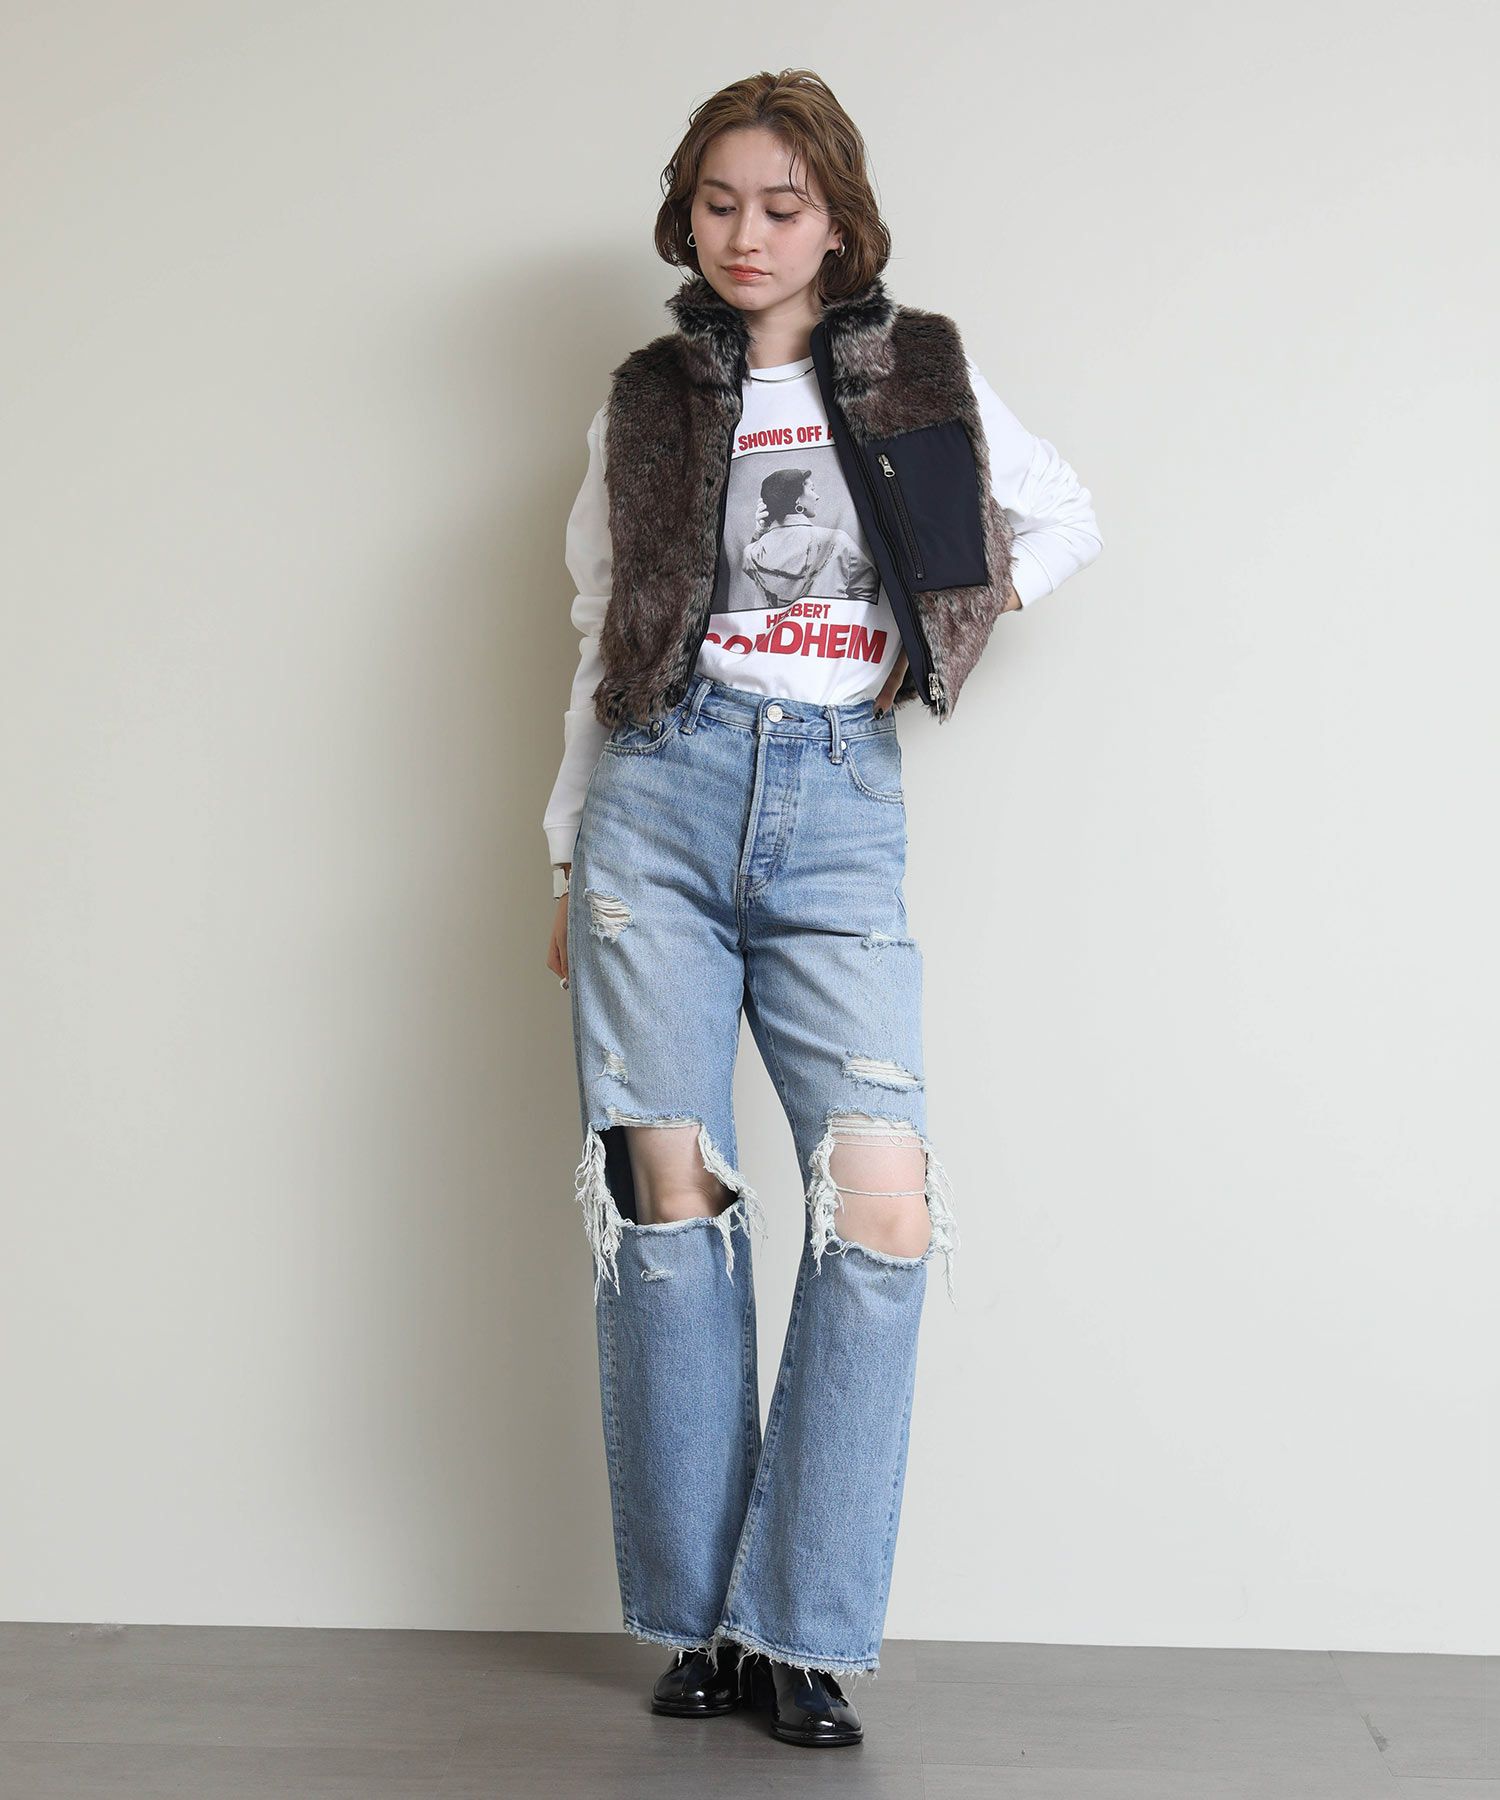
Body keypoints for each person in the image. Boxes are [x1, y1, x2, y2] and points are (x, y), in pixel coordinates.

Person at [541, 68, 1103, 1749]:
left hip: (838, 805)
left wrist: (940, 621)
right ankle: (703, 1624)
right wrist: (566, 857)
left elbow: (1060, 517)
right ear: (685, 215)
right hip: (657, 801)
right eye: (719, 202)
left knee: (881, 1208)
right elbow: (599, 632)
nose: (748, 233)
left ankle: (801, 1624)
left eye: (781, 206)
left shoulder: (913, 369)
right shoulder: (648, 400)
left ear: (838, 223)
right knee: (670, 1209)